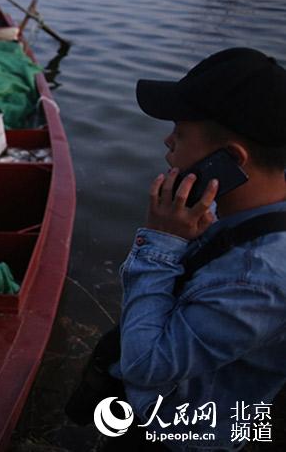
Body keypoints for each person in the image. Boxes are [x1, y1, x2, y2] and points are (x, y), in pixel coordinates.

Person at [108, 48, 286, 449]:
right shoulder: (249, 218)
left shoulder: (259, 275)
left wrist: (162, 243)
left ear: (232, 159)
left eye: (181, 132)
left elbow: (145, 364)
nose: (168, 141)